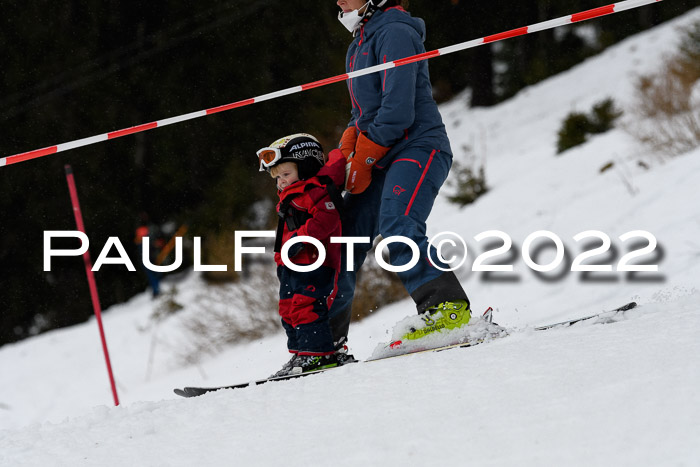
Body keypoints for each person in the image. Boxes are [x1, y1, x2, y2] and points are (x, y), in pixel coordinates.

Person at [330, 0, 471, 349]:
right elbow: (361, 112)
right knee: (343, 237)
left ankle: (446, 309)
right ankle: (324, 343)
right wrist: (349, 145)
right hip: (381, 153)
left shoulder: (395, 32)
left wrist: (365, 158)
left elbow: (398, 107)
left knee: (397, 222)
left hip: (418, 146)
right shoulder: (357, 45)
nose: (338, 2)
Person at [257, 133, 354, 376]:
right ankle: (302, 353)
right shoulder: (292, 195)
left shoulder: (315, 191)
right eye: (277, 177)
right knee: (288, 308)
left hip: (314, 262)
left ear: (306, 166)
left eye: (286, 174)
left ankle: (317, 354)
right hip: (291, 264)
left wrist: (301, 237)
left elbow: (328, 218)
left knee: (305, 305)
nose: (280, 181)